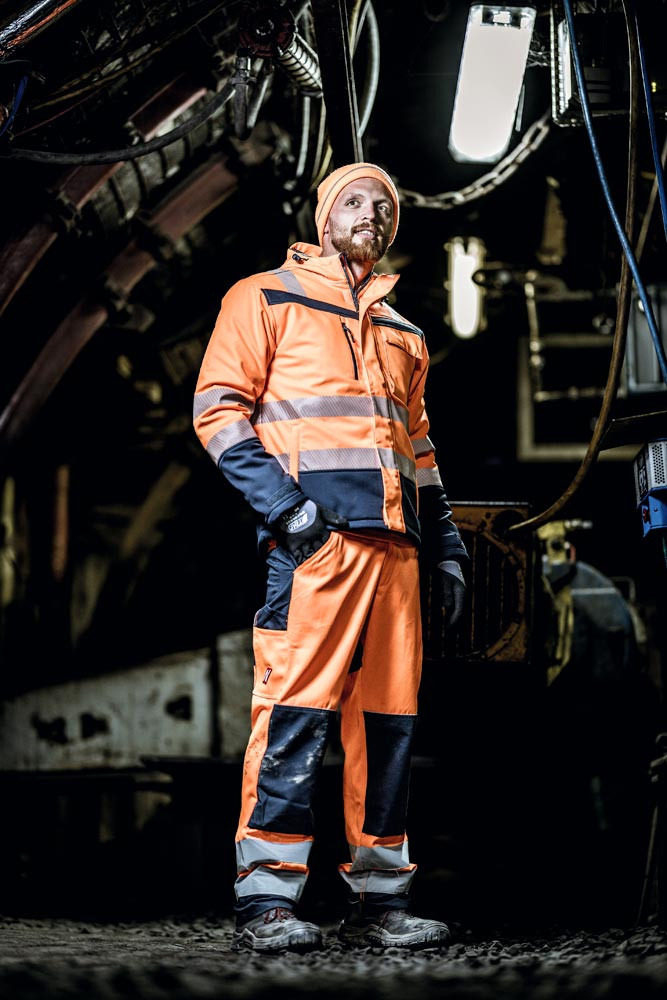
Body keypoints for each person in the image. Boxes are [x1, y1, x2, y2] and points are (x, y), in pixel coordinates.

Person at [193, 162, 468, 952]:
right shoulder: (264, 298)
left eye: (384, 206)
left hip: (395, 558)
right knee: (292, 716)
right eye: (354, 200)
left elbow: (421, 454)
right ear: (323, 217)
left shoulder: (403, 333)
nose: (370, 214)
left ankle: (381, 903)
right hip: (316, 547)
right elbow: (217, 410)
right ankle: (267, 900)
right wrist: (291, 514)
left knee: (388, 732)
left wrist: (445, 549)